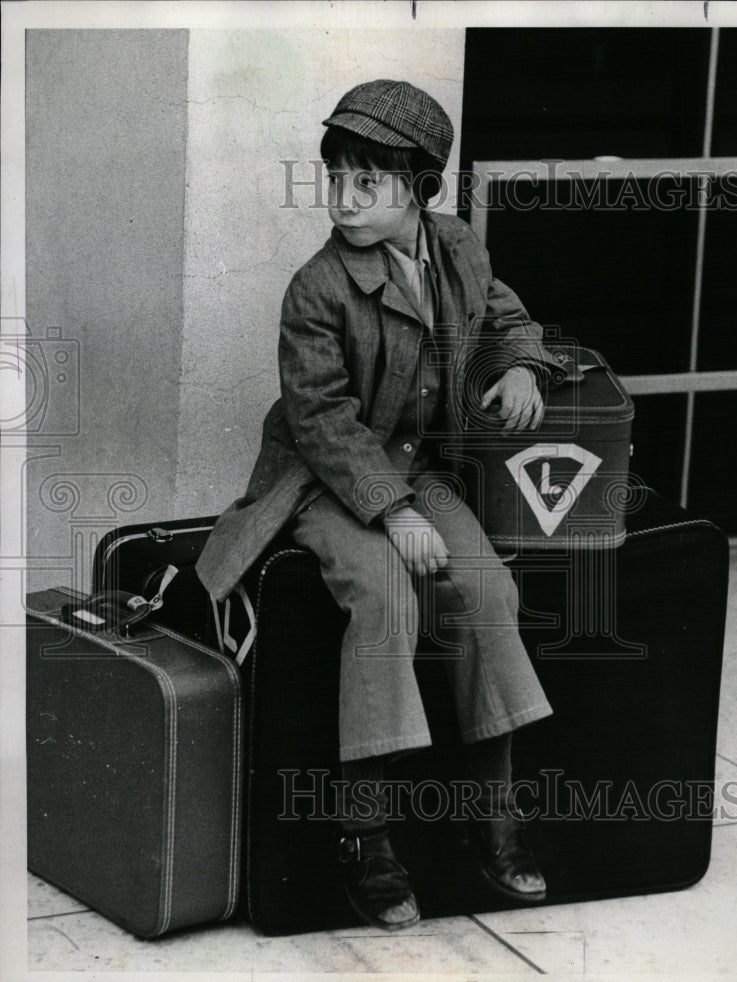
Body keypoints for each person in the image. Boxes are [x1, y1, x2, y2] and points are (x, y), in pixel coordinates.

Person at [196, 78, 560, 932]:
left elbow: (508, 319)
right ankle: (366, 837)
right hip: (322, 481)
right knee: (386, 598)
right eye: (335, 180)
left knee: (487, 593)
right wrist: (395, 514)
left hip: (417, 468)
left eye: (368, 182)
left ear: (420, 190)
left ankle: (493, 815)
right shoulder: (317, 287)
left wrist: (519, 366)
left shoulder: (459, 250)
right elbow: (321, 420)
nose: (344, 200)